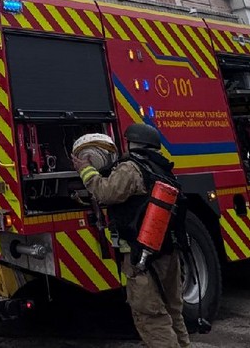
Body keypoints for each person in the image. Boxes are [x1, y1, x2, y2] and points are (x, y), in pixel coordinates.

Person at [72, 123, 191, 348]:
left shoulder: (131, 168)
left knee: (151, 317)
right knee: (173, 311)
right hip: (167, 252)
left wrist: (86, 170)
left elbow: (107, 193)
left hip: (142, 258)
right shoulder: (161, 168)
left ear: (131, 143)